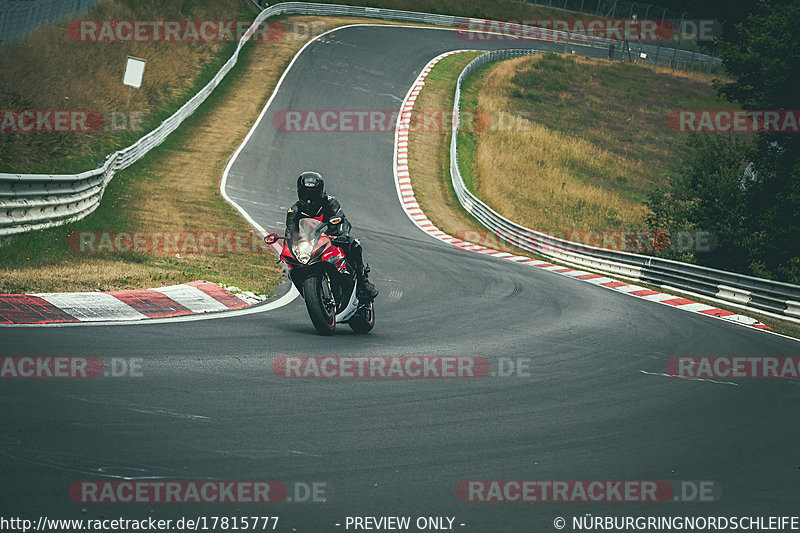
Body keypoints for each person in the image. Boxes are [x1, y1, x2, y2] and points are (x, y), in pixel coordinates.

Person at [285, 171, 379, 301]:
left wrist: (341, 235)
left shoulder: (330, 202)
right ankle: (312, 296)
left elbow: (340, 219)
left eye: (312, 193)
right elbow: (290, 232)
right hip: (310, 244)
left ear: (320, 191)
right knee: (294, 270)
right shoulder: (294, 211)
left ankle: (363, 282)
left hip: (333, 235)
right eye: (306, 193)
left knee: (354, 245)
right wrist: (290, 246)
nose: (309, 198)